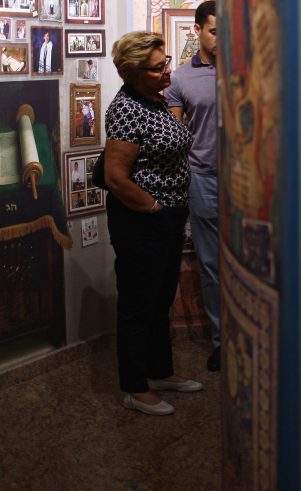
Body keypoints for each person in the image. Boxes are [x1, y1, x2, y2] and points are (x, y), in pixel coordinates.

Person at [105, 30, 201, 416]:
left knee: (160, 298)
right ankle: (134, 385)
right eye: (159, 67)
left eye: (166, 64)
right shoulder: (126, 109)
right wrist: (154, 210)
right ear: (133, 71)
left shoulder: (155, 101)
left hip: (167, 216)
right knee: (137, 303)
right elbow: (116, 177)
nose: (168, 72)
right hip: (142, 221)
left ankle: (160, 371)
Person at [165, 0, 221, 371]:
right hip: (203, 178)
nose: (223, 39)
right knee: (213, 265)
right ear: (198, 30)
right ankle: (222, 340)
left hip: (251, 180)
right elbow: (174, 136)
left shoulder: (252, 70)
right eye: (216, 31)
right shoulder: (181, 79)